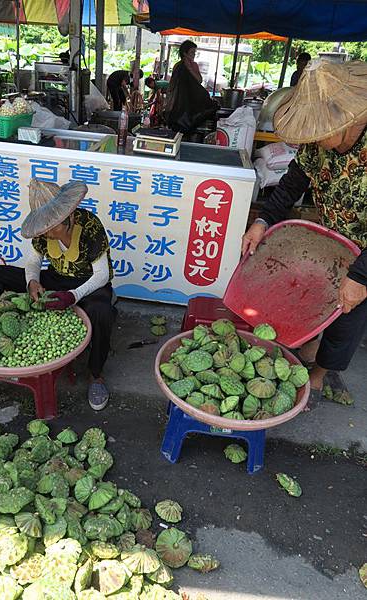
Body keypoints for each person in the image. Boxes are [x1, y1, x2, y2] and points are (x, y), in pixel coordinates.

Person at [242, 59, 367, 407]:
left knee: (348, 312)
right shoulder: (317, 144)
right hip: (332, 235)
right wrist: (262, 221)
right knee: (314, 295)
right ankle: (308, 348)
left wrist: (360, 276)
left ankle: (320, 375)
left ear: (350, 119)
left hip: (365, 250)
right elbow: (292, 183)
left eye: (320, 131)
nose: (312, 138)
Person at [0, 179, 115, 411]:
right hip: (55, 277)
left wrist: (73, 296)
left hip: (88, 283)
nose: (47, 233)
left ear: (68, 216)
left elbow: (102, 274)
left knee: (101, 311)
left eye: (52, 227)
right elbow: (33, 260)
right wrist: (32, 282)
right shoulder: (44, 232)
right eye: (44, 227)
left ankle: (96, 375)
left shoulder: (90, 226)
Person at [165, 40, 214, 133]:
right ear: (185, 53)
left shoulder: (194, 65)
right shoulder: (178, 66)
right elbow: (173, 84)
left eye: (194, 52)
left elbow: (199, 80)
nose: (194, 54)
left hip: (192, 100)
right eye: (192, 52)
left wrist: (190, 68)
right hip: (180, 100)